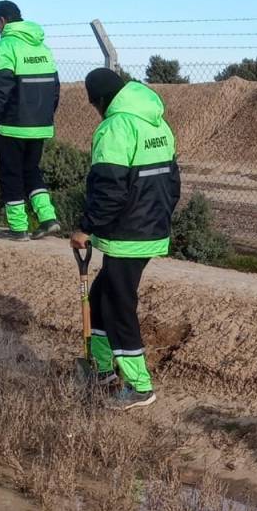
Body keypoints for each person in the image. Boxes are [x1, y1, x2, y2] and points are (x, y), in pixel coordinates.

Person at [70, 68, 180, 410]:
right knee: (103, 293)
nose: (97, 112)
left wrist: (85, 227)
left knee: (119, 304)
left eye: (95, 106)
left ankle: (139, 385)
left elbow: (109, 189)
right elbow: (173, 181)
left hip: (127, 231)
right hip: (150, 226)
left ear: (101, 100)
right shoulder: (156, 122)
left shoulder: (116, 126)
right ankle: (102, 369)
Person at [0, 0, 61, 242]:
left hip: (12, 125)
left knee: (10, 173)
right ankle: (48, 218)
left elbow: (1, 90)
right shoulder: (43, 47)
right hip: (40, 124)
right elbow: (55, 88)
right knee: (32, 170)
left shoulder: (3, 46)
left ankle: (18, 228)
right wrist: (45, 117)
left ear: (2, 21)